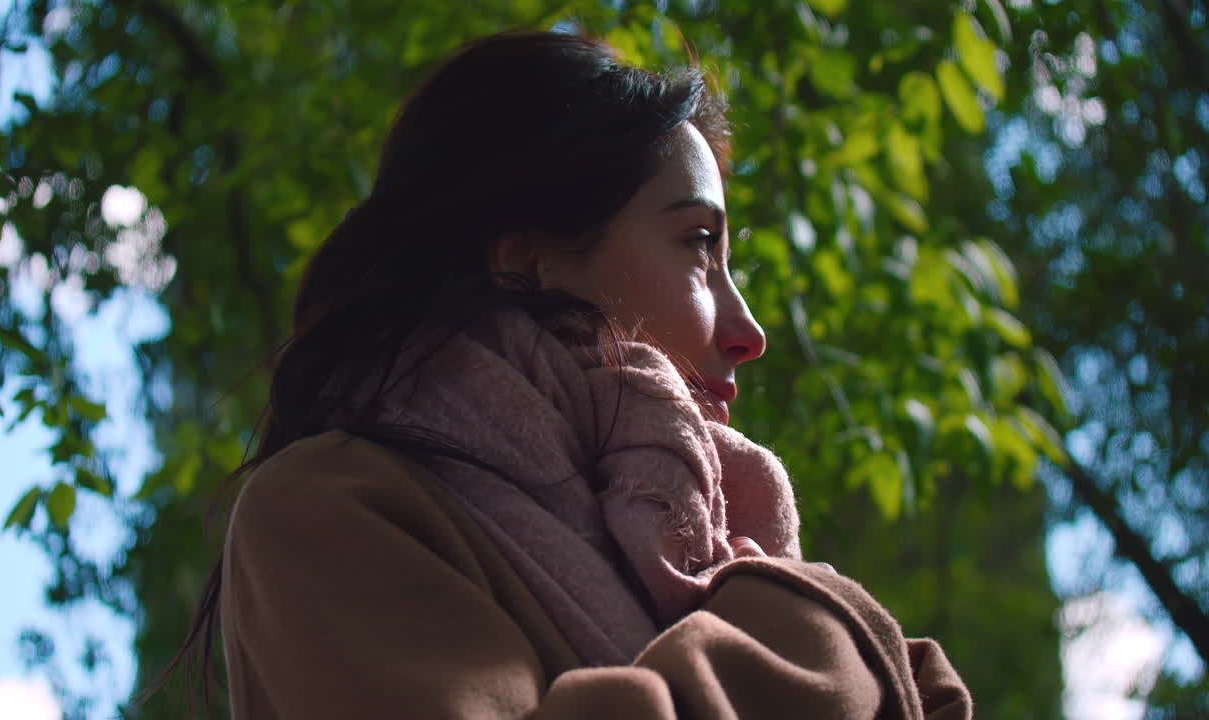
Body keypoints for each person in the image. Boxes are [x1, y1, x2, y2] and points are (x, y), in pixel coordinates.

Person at [181, 30, 972, 719]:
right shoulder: (326, 506)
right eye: (699, 245)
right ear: (529, 262)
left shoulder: (703, 543)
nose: (750, 332)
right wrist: (811, 643)